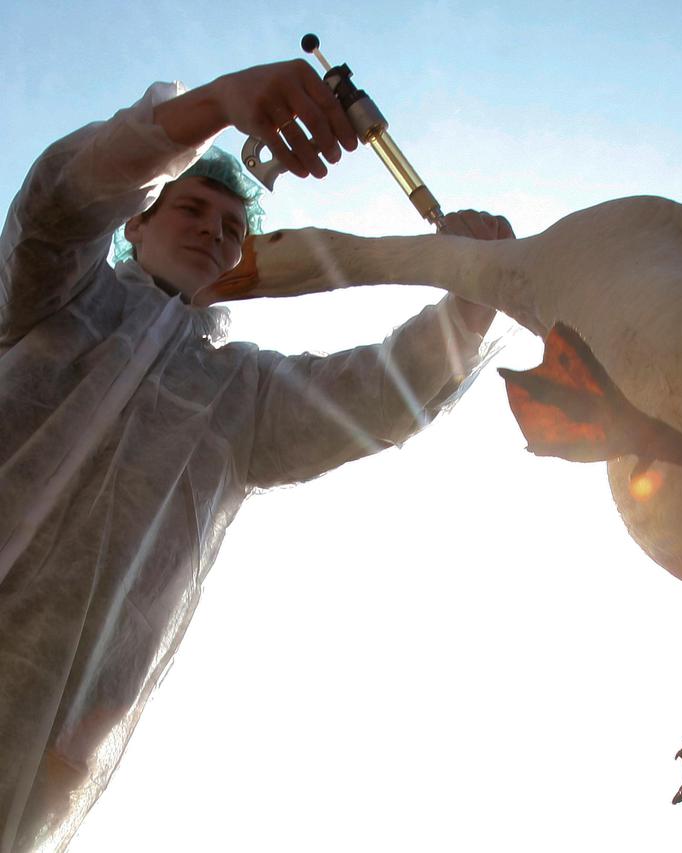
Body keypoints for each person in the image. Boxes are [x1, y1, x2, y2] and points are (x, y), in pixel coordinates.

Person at [0, 60, 510, 851]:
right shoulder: (54, 294)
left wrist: (471, 298)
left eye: (234, 227)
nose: (214, 229)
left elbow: (375, 397)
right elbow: (58, 204)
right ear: (137, 222)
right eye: (194, 208)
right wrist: (211, 108)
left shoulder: (240, 396)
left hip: (53, 725)